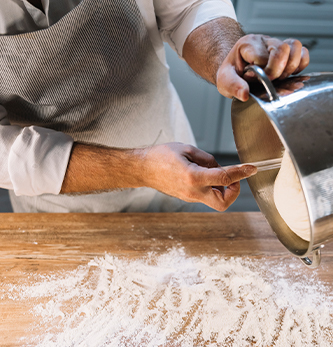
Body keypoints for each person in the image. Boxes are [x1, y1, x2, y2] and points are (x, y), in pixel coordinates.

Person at [0, 0, 309, 213]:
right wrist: (140, 168)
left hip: (175, 166)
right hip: (54, 200)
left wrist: (225, 53)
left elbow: (187, 8)